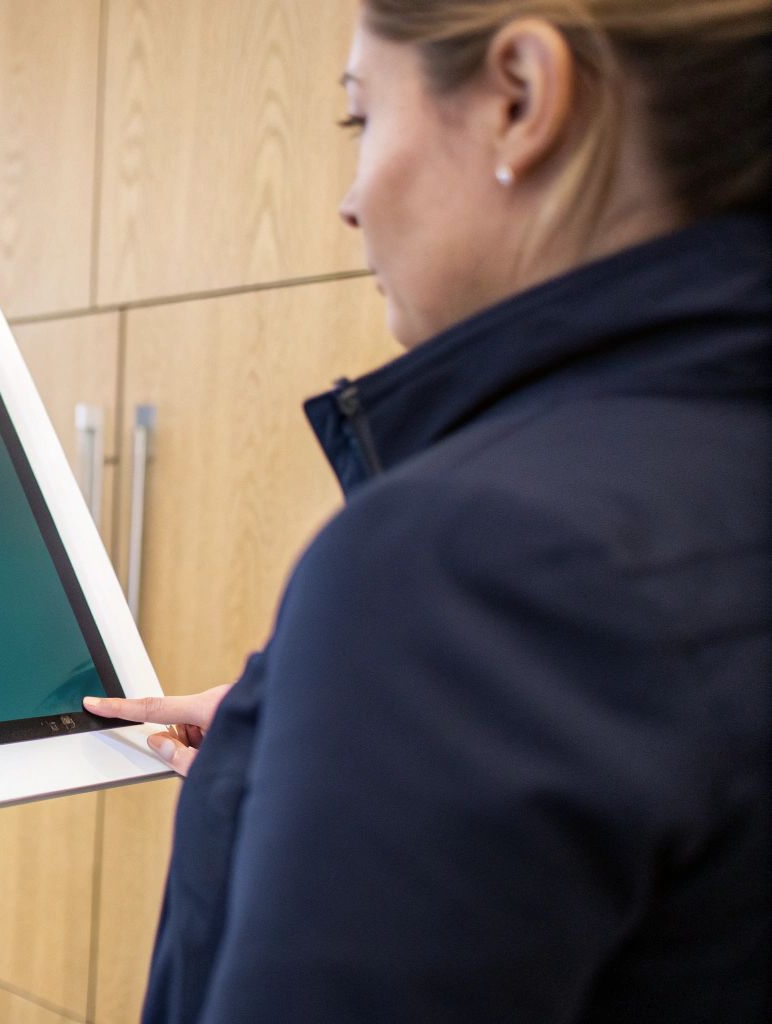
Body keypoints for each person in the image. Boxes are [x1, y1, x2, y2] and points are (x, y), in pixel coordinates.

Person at [85, 2, 769, 1021]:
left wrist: (410, 676)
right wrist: (330, 731)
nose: (349, 202)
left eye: (359, 120)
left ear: (518, 99)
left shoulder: (471, 561)